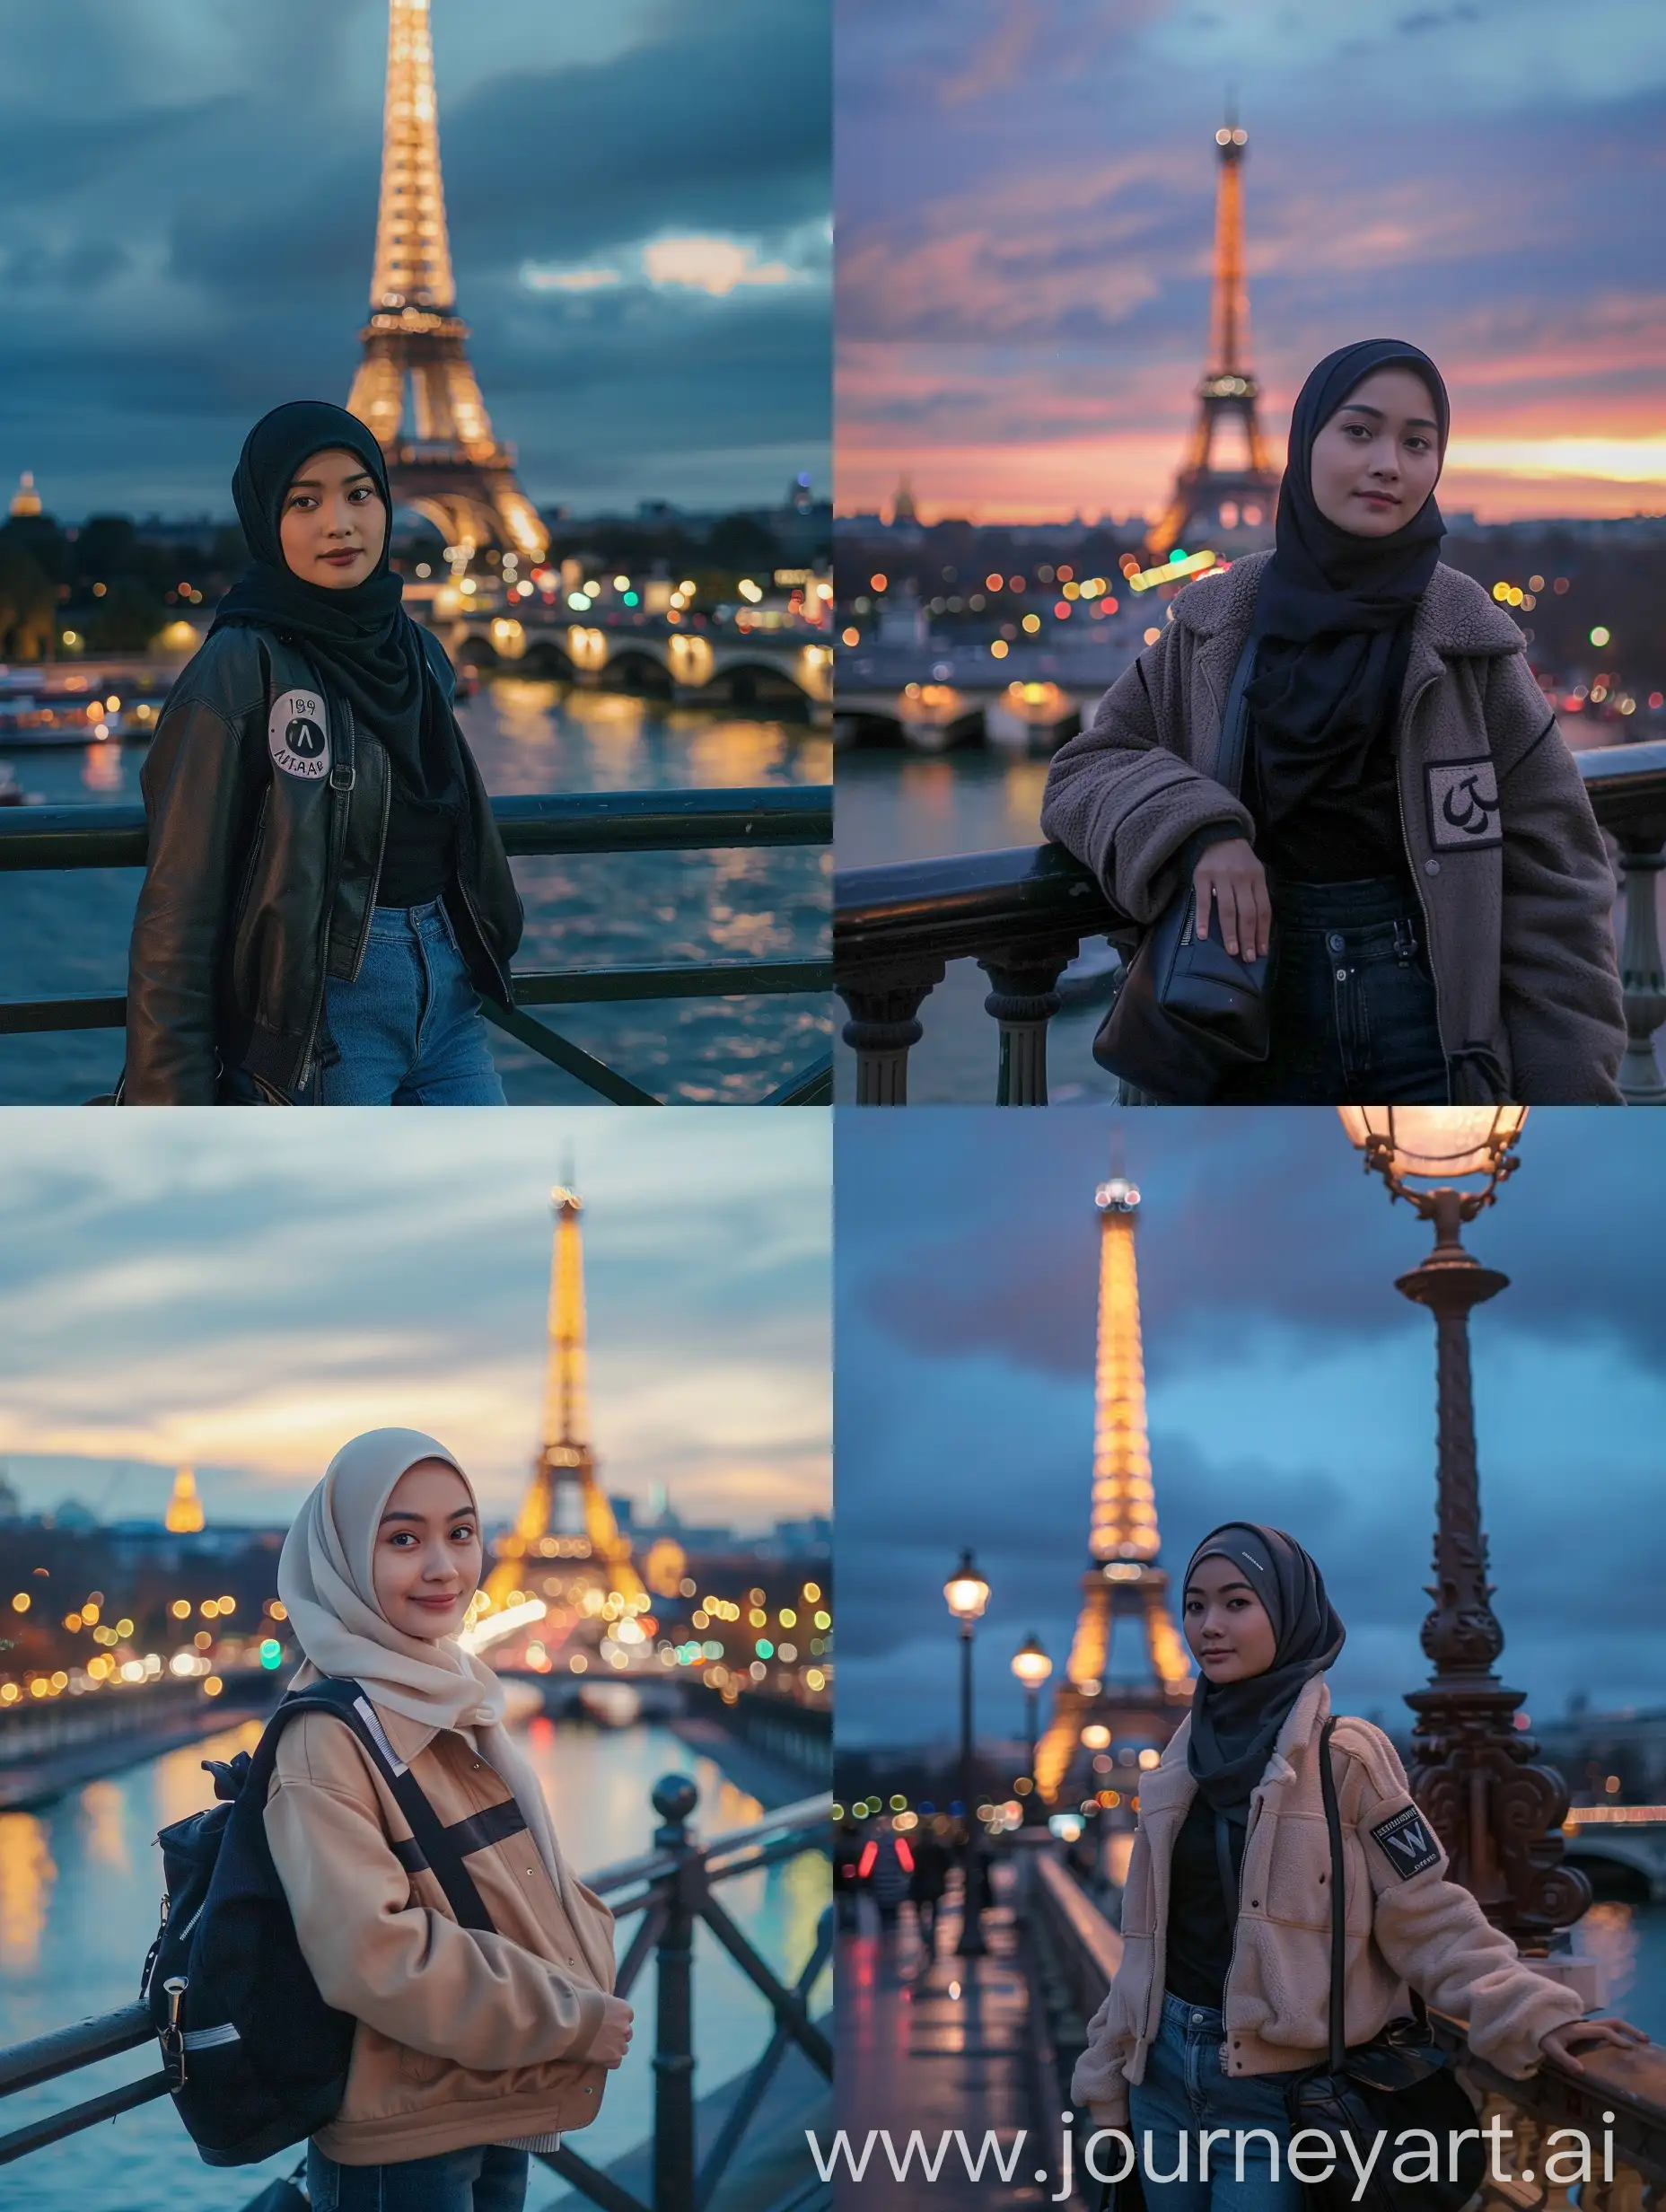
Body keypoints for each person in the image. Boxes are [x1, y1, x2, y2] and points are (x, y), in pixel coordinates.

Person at [1041, 341, 1627, 1104]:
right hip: (1243, 1022)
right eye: (1359, 431)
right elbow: (1085, 769)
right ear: (1303, 443)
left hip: (1433, 1035)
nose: (1390, 463)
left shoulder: (1474, 644)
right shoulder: (1216, 624)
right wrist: (1200, 831)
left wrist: (1571, 1104)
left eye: (1418, 442)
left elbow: (1558, 888)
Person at [1072, 1523, 1645, 2208]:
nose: (1208, 1627)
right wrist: (1107, 2073)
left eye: (1236, 1602)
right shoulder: (1174, 1770)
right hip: (1162, 2084)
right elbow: (1148, 1945)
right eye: (1195, 1606)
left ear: (1288, 1613)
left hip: (1277, 2099)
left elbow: (1429, 1916)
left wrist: (1533, 2013)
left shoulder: (1347, 1759)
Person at [268, 1428, 634, 2212]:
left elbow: (518, 1876)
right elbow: (372, 1955)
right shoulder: (326, 1735)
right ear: (338, 1559)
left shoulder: (448, 1692)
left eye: (461, 1532)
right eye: (402, 1538)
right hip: (403, 2138)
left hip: (486, 2091)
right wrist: (571, 2019)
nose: (444, 1567)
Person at [124, 401, 522, 1103]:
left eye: (360, 494)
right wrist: (171, 1106)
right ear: (265, 519)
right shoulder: (238, 667)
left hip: (451, 999)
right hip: (323, 1020)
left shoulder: (418, 650)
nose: (340, 523)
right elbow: (178, 911)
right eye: (304, 502)